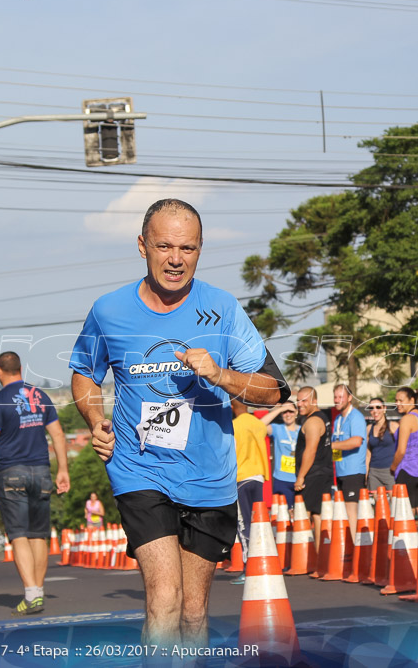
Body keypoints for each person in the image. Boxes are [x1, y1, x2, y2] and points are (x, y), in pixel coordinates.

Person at [68, 199, 289, 648]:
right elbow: (84, 373)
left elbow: (273, 389)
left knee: (192, 613)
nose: (175, 259)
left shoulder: (223, 309)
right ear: (142, 246)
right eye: (164, 245)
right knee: (165, 599)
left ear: (200, 250)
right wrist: (95, 418)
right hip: (139, 468)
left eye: (186, 248)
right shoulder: (109, 310)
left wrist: (221, 375)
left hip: (210, 475)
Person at [0, 351, 70, 616]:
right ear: (20, 369)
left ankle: (31, 594)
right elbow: (58, 435)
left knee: (18, 535)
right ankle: (37, 590)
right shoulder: (41, 396)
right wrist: (63, 469)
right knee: (39, 535)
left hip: (11, 473)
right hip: (41, 472)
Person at [231, 399, 272, 585]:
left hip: (241, 477)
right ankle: (263, 562)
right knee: (258, 523)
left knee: (244, 523)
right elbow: (265, 426)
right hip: (258, 476)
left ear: (232, 407)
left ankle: (249, 567)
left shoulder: (232, 426)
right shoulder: (257, 424)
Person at [293, 386, 333, 550]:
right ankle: (319, 555)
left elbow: (311, 450)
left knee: (305, 514)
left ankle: (306, 557)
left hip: (313, 474)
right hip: (322, 473)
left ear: (314, 401)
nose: (299, 404)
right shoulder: (321, 418)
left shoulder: (313, 422)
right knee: (318, 515)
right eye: (298, 400)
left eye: (304, 401)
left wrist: (301, 476)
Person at [330, 383, 368, 543]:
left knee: (352, 511)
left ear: (350, 398)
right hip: (341, 471)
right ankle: (351, 545)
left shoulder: (356, 416)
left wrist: (330, 447)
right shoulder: (338, 418)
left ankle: (356, 546)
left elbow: (356, 441)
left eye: (341, 397)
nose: (337, 400)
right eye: (335, 397)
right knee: (344, 512)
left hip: (353, 472)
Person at [390, 387, 418, 513]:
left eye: (401, 400)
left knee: (405, 513)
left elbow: (401, 451)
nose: (397, 404)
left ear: (412, 400)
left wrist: (393, 467)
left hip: (408, 469)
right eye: (396, 400)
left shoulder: (407, 419)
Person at [262, 401, 300, 509]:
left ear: (296, 412)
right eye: (285, 412)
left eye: (291, 411)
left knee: (300, 515)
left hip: (299, 479)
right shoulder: (277, 429)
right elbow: (261, 423)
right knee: (283, 516)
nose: (288, 414)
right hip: (281, 479)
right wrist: (279, 409)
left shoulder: (303, 429)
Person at [365, 397, 398, 492]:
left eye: (378, 407)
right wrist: (366, 474)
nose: (375, 411)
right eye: (371, 408)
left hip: (390, 471)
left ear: (384, 408)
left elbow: (402, 449)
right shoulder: (369, 428)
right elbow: (368, 455)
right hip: (374, 472)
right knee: (379, 505)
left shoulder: (393, 426)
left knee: (395, 503)